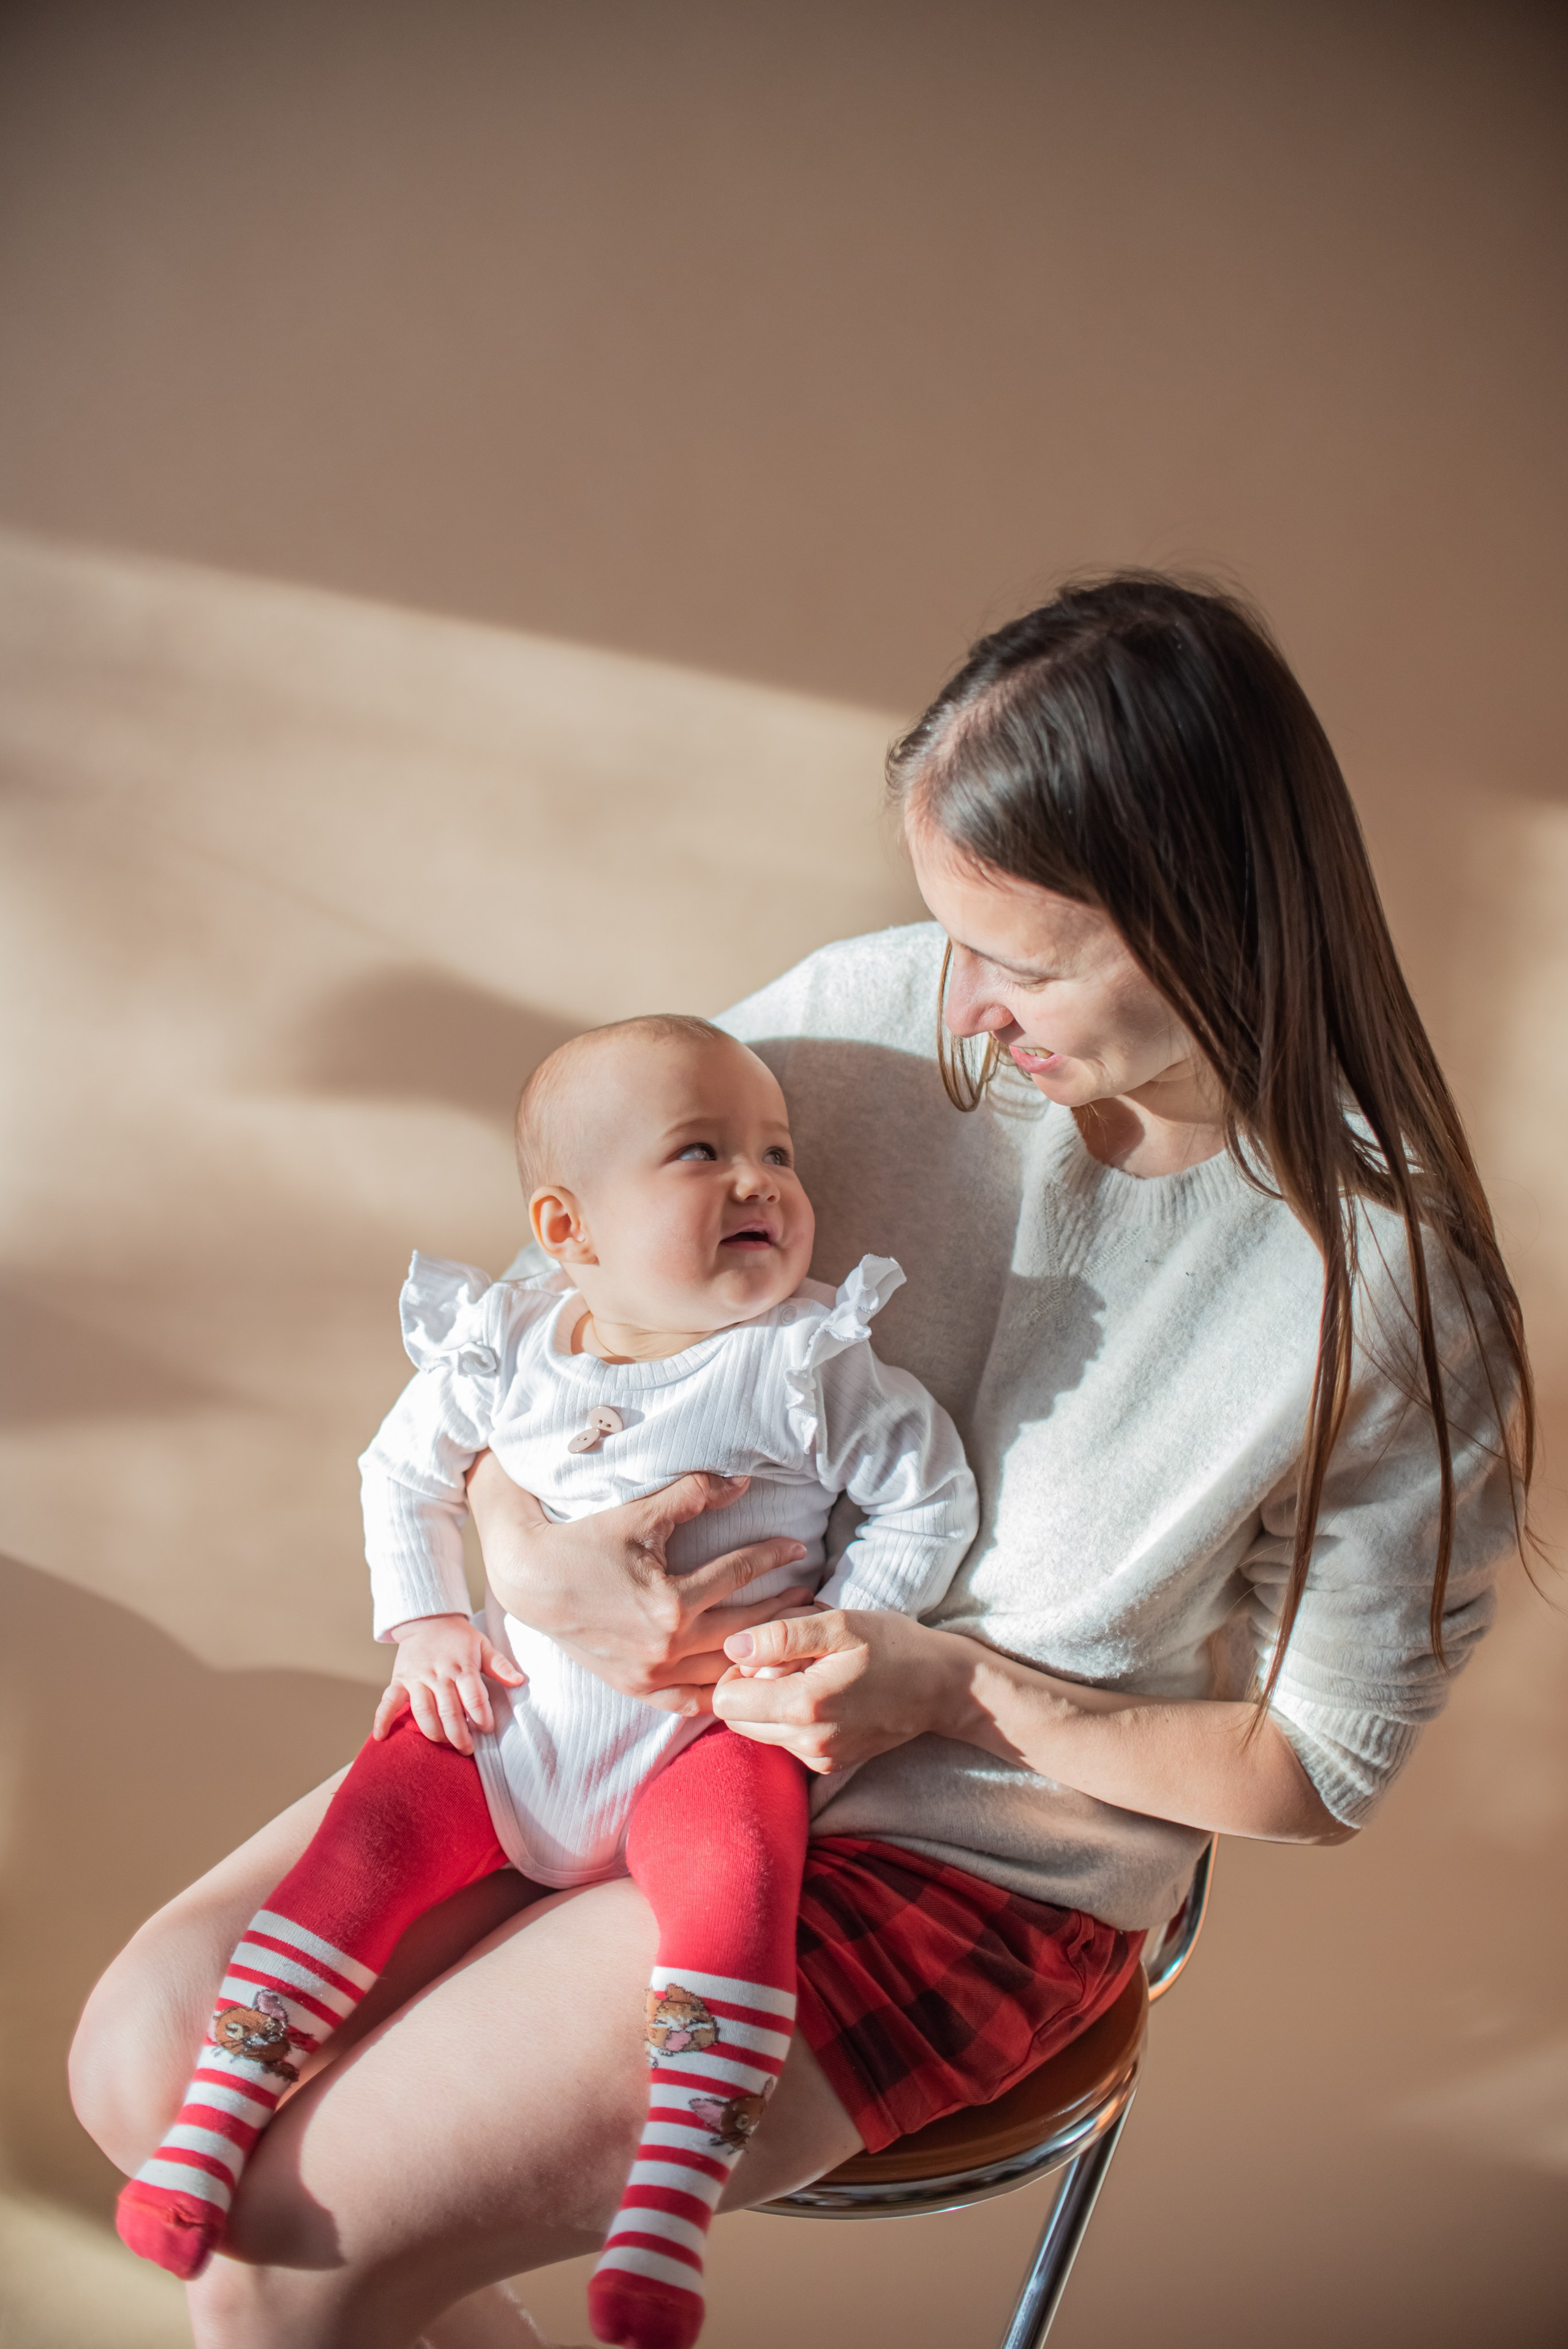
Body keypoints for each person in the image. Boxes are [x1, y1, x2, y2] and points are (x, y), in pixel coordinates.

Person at [69, 574, 1531, 2349]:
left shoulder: (1383, 1286)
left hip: (969, 1856)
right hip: (599, 1721)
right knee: (145, 2057)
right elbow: (554, 1316)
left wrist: (947, 1691)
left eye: (1021, 953)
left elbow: (1316, 1766)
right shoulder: (866, 1014)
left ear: (1206, 909)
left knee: (282, 2259)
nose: (962, 1005)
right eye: (948, 934)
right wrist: (532, 1552)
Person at [113, 1016, 978, 2349]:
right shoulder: (505, 1343)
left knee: (738, 1886)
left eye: (777, 1152)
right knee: (364, 1845)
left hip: (701, 1738)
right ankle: (220, 2117)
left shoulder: (813, 1363)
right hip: (509, 1722)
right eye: (704, 1152)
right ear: (567, 1232)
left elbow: (927, 1500)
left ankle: (667, 2199)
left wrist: (835, 1630)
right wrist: (427, 1625)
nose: (760, 1179)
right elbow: (400, 1477)